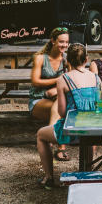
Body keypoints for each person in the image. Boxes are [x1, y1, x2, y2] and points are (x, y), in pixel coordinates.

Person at [35, 44, 102, 188]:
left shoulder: (64, 79)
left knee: (41, 135)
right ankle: (88, 172)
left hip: (73, 131)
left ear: (68, 61)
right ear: (86, 59)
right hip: (94, 129)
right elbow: (100, 107)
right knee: (88, 134)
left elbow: (62, 112)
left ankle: (48, 177)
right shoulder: (96, 78)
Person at [30, 27, 70, 161]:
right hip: (38, 100)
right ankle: (60, 147)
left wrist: (56, 89)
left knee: (61, 107)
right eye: (61, 42)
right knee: (63, 110)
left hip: (57, 100)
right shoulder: (40, 58)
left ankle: (51, 136)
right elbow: (35, 81)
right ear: (53, 41)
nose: (64, 45)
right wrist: (58, 81)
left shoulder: (66, 60)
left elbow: (71, 81)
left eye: (66, 42)